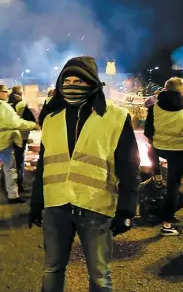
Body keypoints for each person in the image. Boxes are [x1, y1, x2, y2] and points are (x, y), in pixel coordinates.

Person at [29, 56, 141, 292]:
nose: (71, 85)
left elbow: (129, 166)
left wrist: (127, 209)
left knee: (99, 274)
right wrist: (36, 201)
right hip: (56, 205)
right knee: (52, 268)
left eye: (78, 80)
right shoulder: (51, 118)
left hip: (95, 206)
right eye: (66, 80)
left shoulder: (115, 116)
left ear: (92, 82)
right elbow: (44, 164)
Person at [144, 77, 183, 236]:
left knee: (150, 148)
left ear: (165, 89)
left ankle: (157, 176)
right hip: (180, 151)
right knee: (173, 187)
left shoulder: (154, 108)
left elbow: (148, 132)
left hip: (160, 148)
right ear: (182, 91)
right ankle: (167, 225)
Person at [0, 84, 37, 203]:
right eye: (5, 92)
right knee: (10, 169)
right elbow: (16, 123)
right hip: (3, 142)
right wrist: (34, 125)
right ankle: (13, 195)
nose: (7, 94)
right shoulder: (3, 106)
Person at [9, 85, 37, 192]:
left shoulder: (6, 104)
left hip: (9, 136)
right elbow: (31, 119)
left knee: (9, 162)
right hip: (21, 136)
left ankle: (8, 184)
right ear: (21, 94)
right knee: (19, 160)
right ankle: (18, 184)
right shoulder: (21, 104)